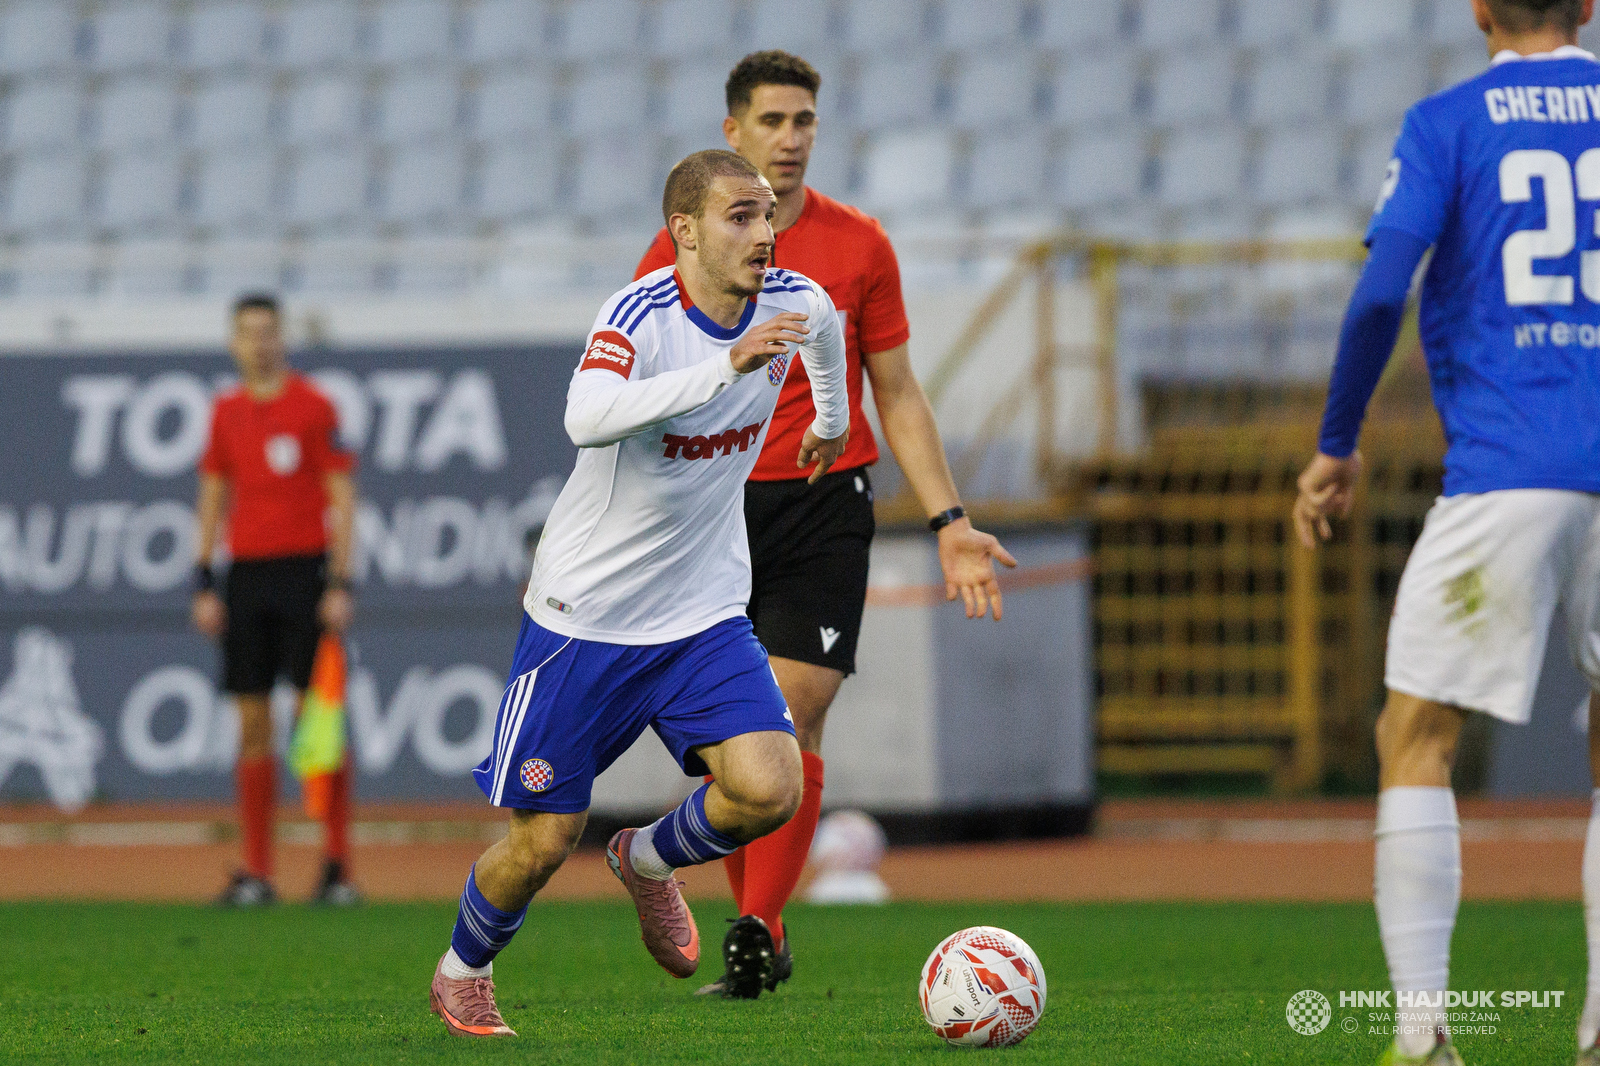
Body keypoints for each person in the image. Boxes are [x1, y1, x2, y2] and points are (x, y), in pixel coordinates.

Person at [427, 148, 851, 1037]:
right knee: (542, 840)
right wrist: (727, 369)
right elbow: (584, 418)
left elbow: (824, 328)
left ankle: (648, 859)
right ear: (684, 231)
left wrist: (831, 421)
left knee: (770, 787)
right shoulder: (641, 312)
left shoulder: (795, 299)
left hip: (701, 613)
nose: (764, 233)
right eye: (741, 216)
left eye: (769, 213)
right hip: (587, 618)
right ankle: (463, 970)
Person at [635, 50, 1016, 999]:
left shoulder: (859, 246)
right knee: (737, 740)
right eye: (771, 122)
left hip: (823, 502)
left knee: (792, 707)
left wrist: (949, 519)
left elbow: (896, 390)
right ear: (733, 134)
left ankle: (755, 928)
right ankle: (742, 909)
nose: (791, 139)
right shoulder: (675, 249)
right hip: (712, 507)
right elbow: (638, 389)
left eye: (804, 120)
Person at [1294, 1, 1600, 1062]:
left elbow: (1383, 288)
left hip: (1509, 471)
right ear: (1591, 7)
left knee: (1414, 734)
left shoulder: (1447, 123)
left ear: (1478, 9)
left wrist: (1337, 440)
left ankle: (1423, 1030)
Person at [192, 294, 359, 907]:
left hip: (304, 575)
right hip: (247, 578)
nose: (259, 343)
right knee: (253, 725)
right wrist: (204, 579)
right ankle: (258, 870)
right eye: (247, 333)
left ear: (282, 338)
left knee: (320, 725)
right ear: (234, 342)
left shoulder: (313, 406)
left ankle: (336, 865)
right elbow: (212, 497)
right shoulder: (225, 412)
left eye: (267, 332)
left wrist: (339, 582)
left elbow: (342, 498)